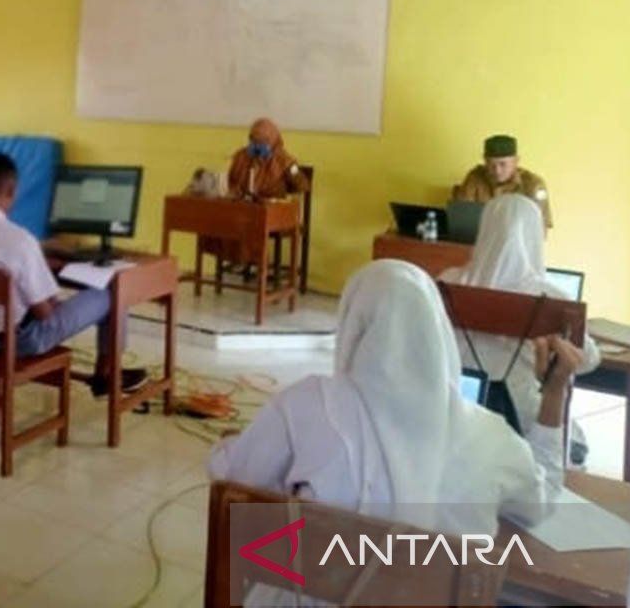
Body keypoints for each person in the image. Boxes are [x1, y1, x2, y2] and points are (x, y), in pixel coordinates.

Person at [208, 260, 578, 607]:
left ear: (354, 327)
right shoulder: (493, 438)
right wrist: (555, 390)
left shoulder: (305, 404)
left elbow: (236, 485)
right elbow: (541, 502)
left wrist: (228, 447)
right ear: (438, 332)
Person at [0, 153, 148, 397]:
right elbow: (45, 313)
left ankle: (106, 375)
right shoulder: (20, 241)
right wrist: (46, 284)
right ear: (11, 189)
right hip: (23, 341)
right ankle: (107, 377)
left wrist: (38, 264)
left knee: (48, 298)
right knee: (111, 295)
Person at [439, 194, 600, 459]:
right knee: (577, 440)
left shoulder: (447, 282)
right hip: (521, 421)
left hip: (457, 408)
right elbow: (586, 360)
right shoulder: (550, 296)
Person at [200, 117, 309, 267]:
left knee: (250, 220)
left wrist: (289, 175)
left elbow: (302, 184)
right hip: (246, 204)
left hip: (270, 210)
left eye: (262, 141)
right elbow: (231, 180)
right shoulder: (242, 156)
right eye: (254, 140)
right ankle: (235, 258)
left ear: (272, 141)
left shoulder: (285, 160)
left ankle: (255, 261)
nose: (257, 145)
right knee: (221, 215)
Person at [453, 134, 552, 228]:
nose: (497, 170)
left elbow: (540, 228)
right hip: (481, 241)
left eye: (503, 164)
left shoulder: (533, 185)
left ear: (516, 161)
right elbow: (462, 220)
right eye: (491, 165)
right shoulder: (475, 179)